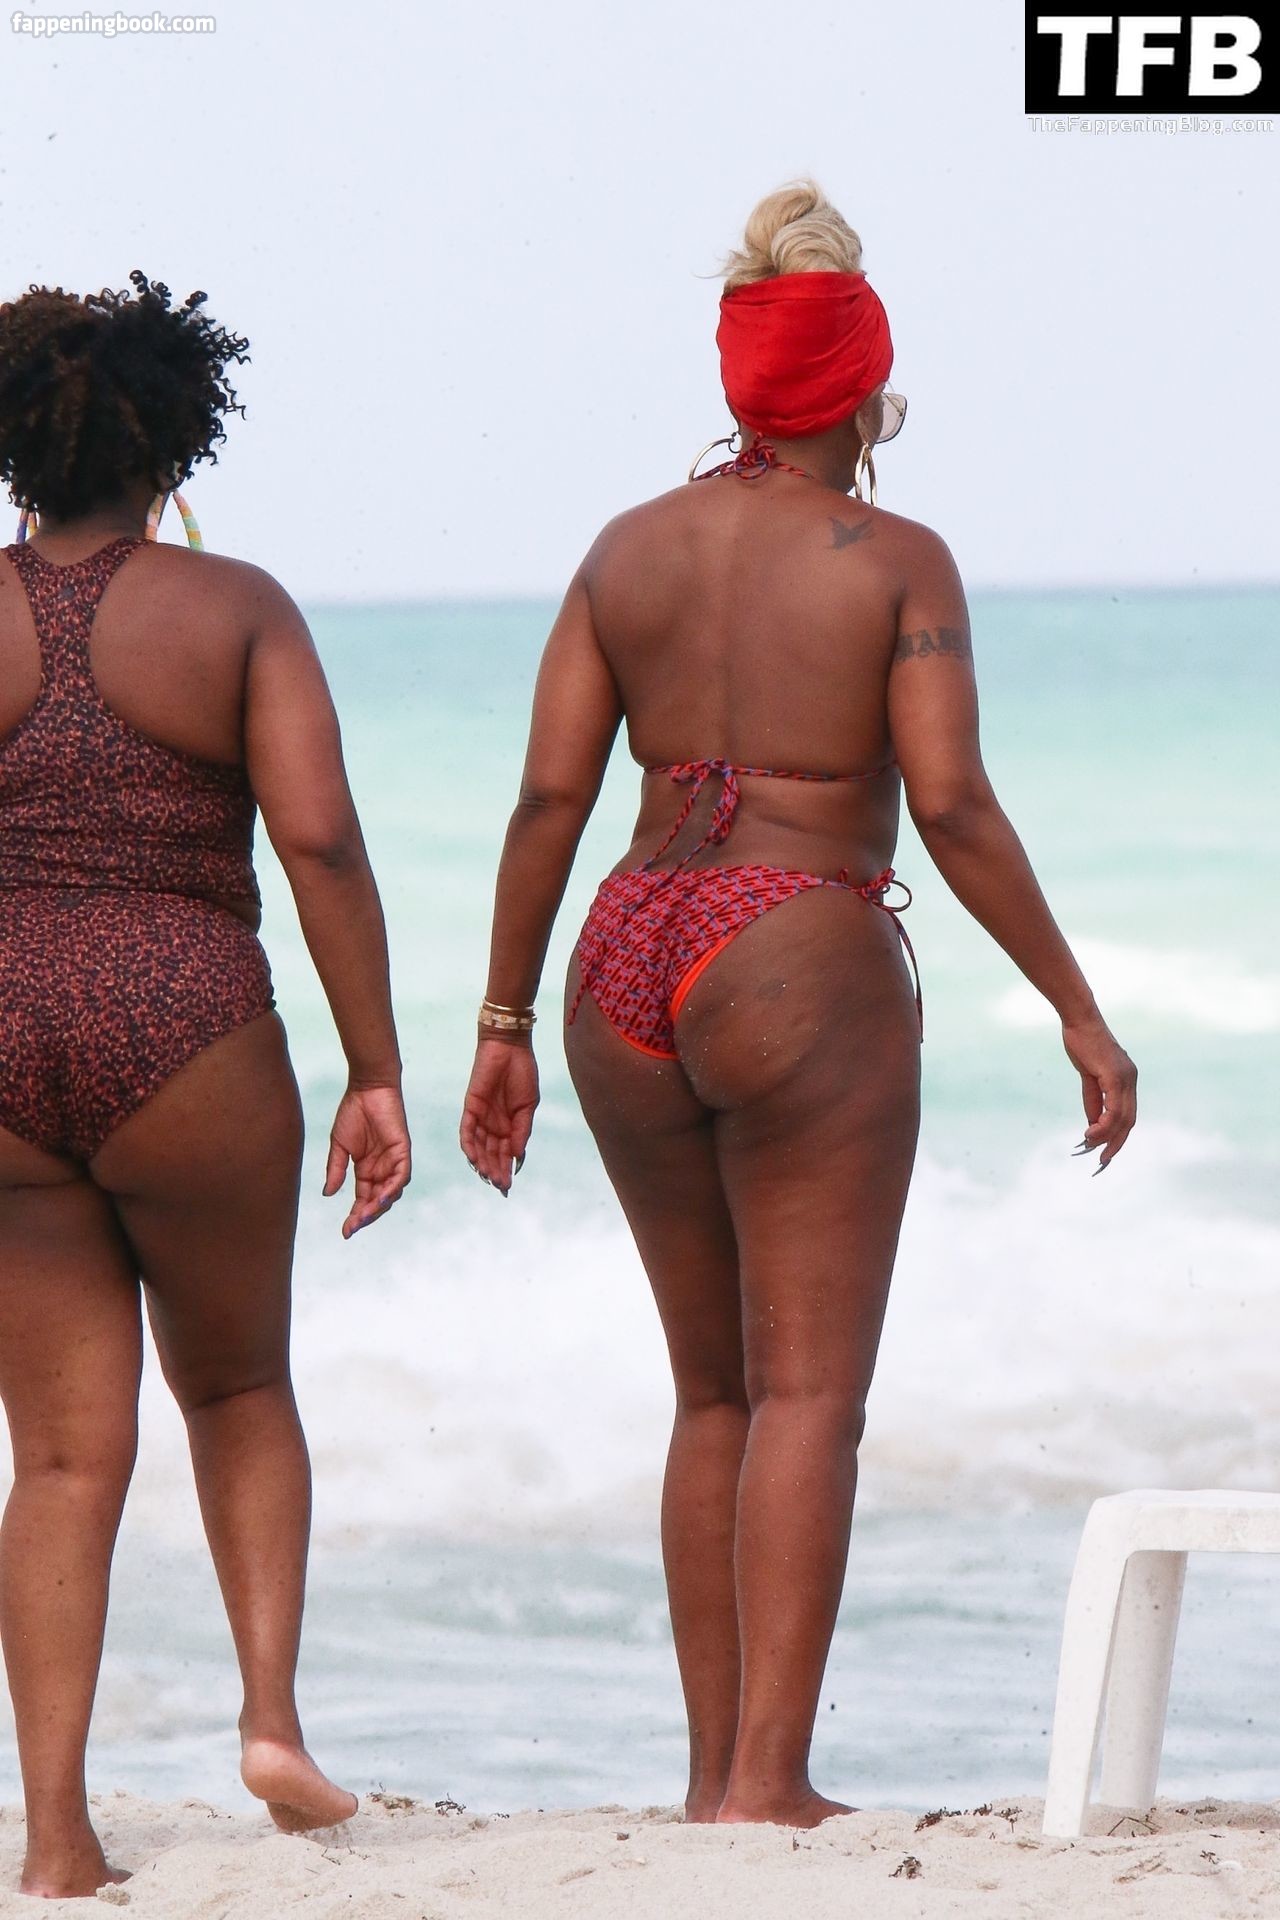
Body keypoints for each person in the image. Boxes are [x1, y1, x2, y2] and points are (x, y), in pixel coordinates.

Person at [460, 181, 1137, 1829]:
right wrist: (1075, 1006)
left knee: (712, 1394)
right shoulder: (897, 561)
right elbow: (950, 803)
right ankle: (772, 1783)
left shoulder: (625, 552)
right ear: (863, 384)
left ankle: (713, 1779)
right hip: (793, 942)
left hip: (625, 948)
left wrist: (500, 1022)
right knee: (810, 1395)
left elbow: (548, 800)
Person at [0, 273, 411, 1896]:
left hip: (1, 1029)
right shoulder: (237, 609)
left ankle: (56, 1835)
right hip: (188, 1024)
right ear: (175, 440)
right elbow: (318, 841)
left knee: (58, 1459)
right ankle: (269, 1725)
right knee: (236, 1391)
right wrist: (376, 1065)